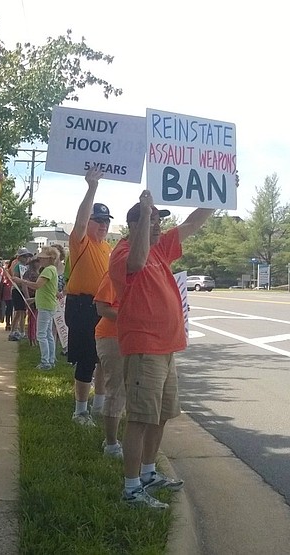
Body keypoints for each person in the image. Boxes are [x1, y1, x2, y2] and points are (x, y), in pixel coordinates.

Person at [109, 191, 213, 508]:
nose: (157, 226)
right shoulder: (124, 252)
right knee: (140, 419)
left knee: (160, 416)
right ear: (133, 224)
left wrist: (219, 192)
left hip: (166, 349)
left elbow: (194, 222)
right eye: (149, 220)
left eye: (157, 220)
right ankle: (131, 490)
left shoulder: (162, 250)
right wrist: (142, 214)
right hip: (144, 348)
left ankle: (149, 473)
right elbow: (136, 262)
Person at [64, 166, 111, 426]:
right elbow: (81, 222)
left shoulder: (108, 248)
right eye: (99, 221)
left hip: (101, 307)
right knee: (87, 359)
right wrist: (92, 187)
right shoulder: (81, 241)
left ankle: (100, 405)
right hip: (82, 306)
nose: (103, 225)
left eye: (106, 222)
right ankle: (80, 411)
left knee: (103, 357)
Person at [94, 272, 125, 459]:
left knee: (127, 391)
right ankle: (111, 445)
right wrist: (133, 317)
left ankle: (118, 438)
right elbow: (102, 308)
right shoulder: (115, 276)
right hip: (112, 337)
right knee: (116, 389)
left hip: (134, 337)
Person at [13, 247, 59, 370]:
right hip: (47, 305)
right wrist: (33, 299)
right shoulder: (52, 269)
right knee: (48, 334)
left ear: (49, 258)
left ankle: (45, 362)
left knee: (42, 334)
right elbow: (47, 290)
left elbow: (37, 285)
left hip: (45, 306)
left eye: (42, 257)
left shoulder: (48, 270)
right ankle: (50, 359)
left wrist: (21, 281)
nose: (39, 259)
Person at [8, 248, 33, 341]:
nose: (27, 258)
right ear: (20, 257)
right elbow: (15, 278)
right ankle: (13, 331)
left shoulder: (25, 267)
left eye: (28, 256)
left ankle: (22, 331)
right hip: (17, 290)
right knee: (18, 312)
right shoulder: (18, 266)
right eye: (25, 256)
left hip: (22, 290)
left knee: (22, 312)